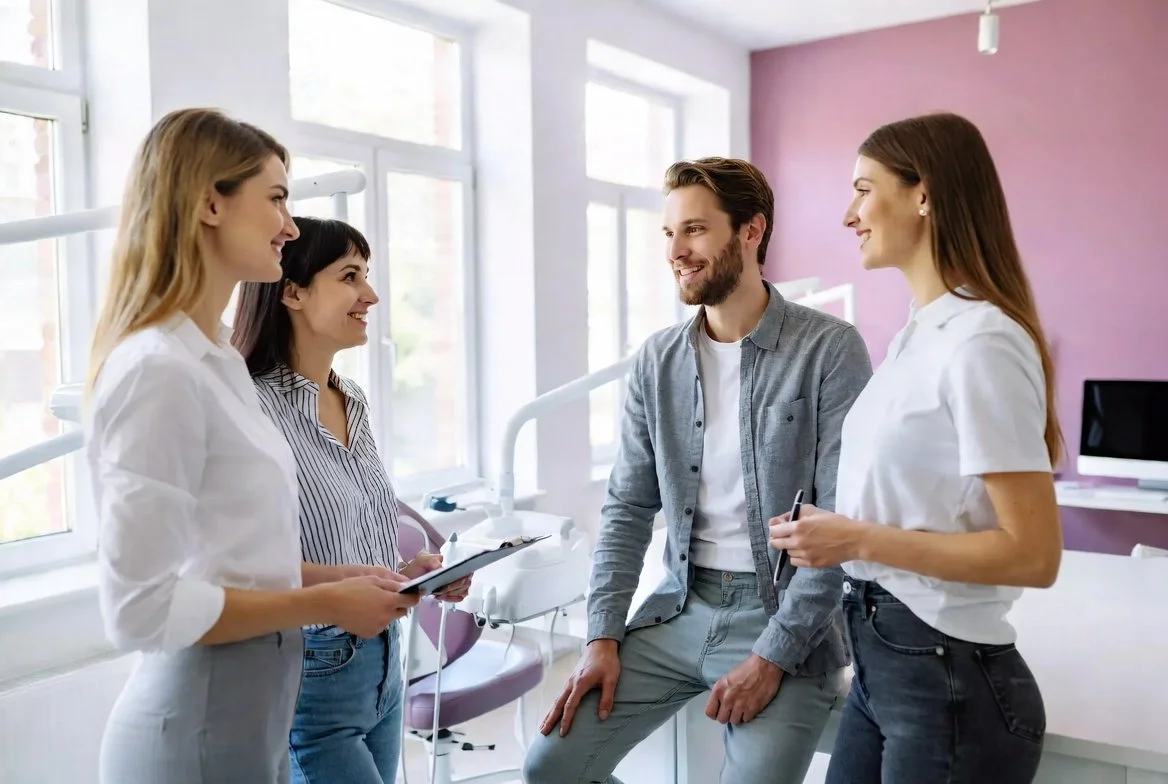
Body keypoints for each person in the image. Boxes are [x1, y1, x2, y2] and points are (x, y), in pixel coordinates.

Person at [85, 108, 419, 784]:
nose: (290, 226)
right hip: (193, 730)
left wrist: (361, 579)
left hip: (249, 720)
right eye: (276, 198)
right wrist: (326, 604)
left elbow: (242, 563)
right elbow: (140, 608)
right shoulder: (157, 368)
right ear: (210, 203)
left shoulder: (213, 362)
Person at [523, 157, 874, 784]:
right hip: (679, 609)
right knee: (550, 767)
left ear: (751, 231)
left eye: (695, 230)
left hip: (785, 618)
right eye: (668, 234)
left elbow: (842, 526)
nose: (676, 251)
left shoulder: (829, 348)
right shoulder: (656, 360)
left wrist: (775, 654)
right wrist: (602, 636)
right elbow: (629, 507)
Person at [769, 112, 1063, 784]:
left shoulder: (980, 342)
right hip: (882, 659)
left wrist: (856, 540)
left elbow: (1034, 554)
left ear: (923, 195)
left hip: (947, 675)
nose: (850, 213)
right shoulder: (916, 335)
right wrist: (836, 536)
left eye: (864, 188)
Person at [230, 214, 472, 783]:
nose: (372, 295)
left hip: (385, 660)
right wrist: (343, 587)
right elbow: (235, 567)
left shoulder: (350, 397)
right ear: (292, 291)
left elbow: (351, 533)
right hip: (312, 672)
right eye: (350, 277)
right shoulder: (248, 409)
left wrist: (411, 575)